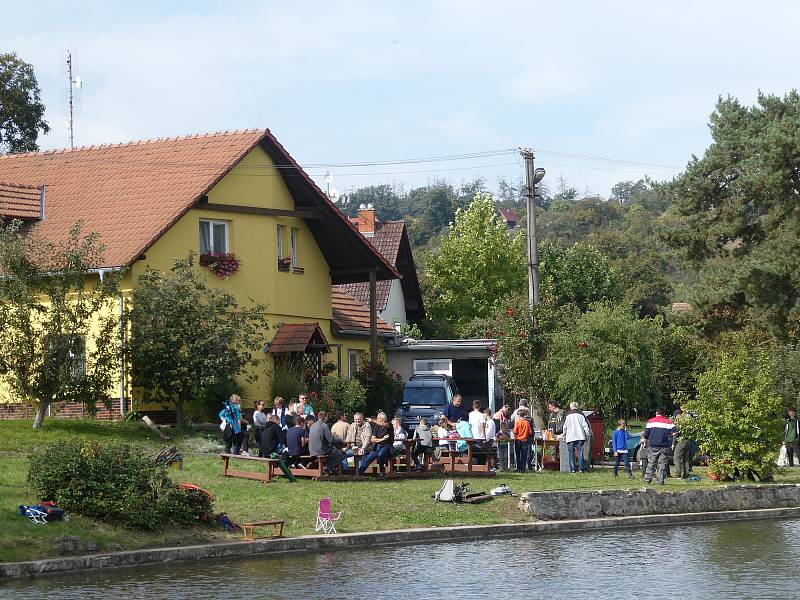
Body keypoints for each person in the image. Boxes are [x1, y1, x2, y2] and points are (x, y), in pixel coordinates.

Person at [643, 408, 676, 485]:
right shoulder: (668, 422)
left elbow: (646, 434)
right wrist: (672, 440)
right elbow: (675, 431)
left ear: (656, 413)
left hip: (652, 446)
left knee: (651, 464)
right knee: (662, 465)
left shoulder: (650, 421)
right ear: (663, 414)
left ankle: (647, 480)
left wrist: (645, 443)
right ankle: (660, 481)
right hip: (663, 447)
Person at [358, 412, 394, 477]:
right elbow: (372, 439)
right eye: (376, 418)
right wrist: (382, 439)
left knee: (380, 454)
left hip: (387, 446)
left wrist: (372, 420)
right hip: (377, 446)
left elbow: (385, 425)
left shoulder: (389, 424)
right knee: (369, 458)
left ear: (383, 419)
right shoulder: (377, 427)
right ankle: (359, 473)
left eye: (378, 418)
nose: (377, 420)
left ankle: (382, 471)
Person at [562, 402, 592, 474]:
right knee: (580, 453)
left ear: (571, 407)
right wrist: (588, 434)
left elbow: (565, 427)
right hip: (580, 436)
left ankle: (573, 469)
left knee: (571, 454)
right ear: (577, 407)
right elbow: (585, 426)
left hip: (570, 437)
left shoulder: (567, 415)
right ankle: (581, 469)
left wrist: (564, 435)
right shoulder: (581, 415)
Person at [672, 406, 693, 479]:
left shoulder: (679, 423)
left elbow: (675, 434)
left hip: (681, 442)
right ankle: (686, 474)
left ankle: (678, 475)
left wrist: (673, 444)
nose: (675, 418)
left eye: (675, 416)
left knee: (676, 459)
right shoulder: (687, 422)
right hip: (688, 441)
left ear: (678, 415)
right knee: (686, 459)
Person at [512, 407, 533, 472]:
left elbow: (515, 431)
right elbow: (530, 432)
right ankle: (523, 468)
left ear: (518, 415)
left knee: (518, 455)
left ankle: (518, 468)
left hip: (518, 440)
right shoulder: (527, 423)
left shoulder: (518, 422)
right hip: (525, 440)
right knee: (524, 455)